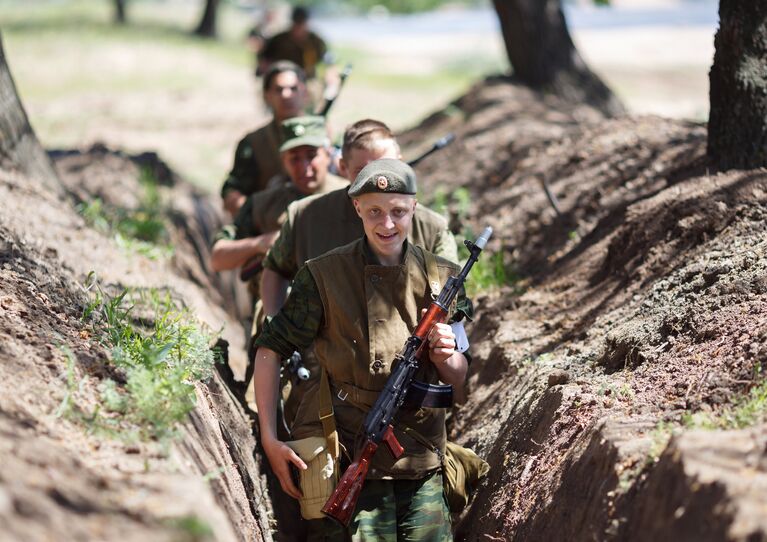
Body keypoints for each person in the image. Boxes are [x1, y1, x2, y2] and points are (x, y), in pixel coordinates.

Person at [253, 158, 472, 540]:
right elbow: (269, 349)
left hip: (420, 455)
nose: (387, 224)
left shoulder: (444, 277)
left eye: (398, 212)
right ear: (357, 208)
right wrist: (270, 439)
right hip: (347, 449)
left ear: (415, 208)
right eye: (374, 211)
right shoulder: (323, 276)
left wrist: (446, 356)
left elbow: (460, 379)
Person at [260, 119, 458, 318]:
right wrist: (274, 322)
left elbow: (452, 291)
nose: (375, 179)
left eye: (386, 165)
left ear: (400, 161)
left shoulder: (432, 227)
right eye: (362, 171)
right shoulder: (304, 216)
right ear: (342, 167)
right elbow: (275, 269)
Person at [211, 115, 348, 290]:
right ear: (284, 161)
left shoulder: (352, 198)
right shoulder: (264, 204)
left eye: (311, 155)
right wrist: (260, 244)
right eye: (295, 159)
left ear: (328, 155)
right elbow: (217, 258)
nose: (304, 167)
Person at [221, 61, 309, 217]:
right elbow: (232, 191)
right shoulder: (254, 143)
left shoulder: (326, 136)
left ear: (305, 92)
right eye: (279, 89)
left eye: (293, 88)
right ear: (267, 95)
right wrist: (253, 214)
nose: (286, 95)